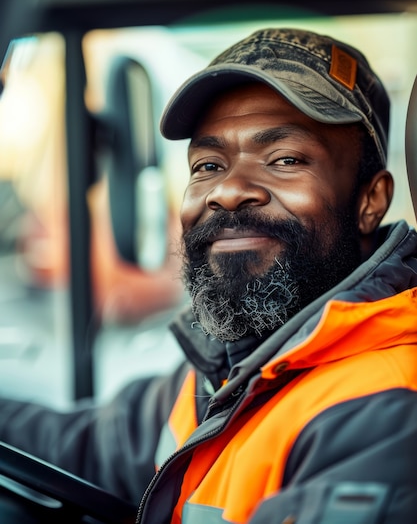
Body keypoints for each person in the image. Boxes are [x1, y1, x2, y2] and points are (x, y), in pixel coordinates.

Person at [1, 27, 417, 523]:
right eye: (207, 165)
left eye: (284, 159)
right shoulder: (226, 370)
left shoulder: (385, 408)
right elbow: (80, 447)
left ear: (371, 200)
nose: (228, 190)